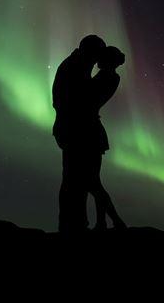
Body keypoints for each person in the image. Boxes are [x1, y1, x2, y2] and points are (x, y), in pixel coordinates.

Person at [52, 35, 107, 233]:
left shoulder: (77, 65)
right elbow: (74, 101)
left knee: (76, 180)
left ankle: (74, 224)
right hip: (74, 130)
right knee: (74, 180)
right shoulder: (74, 67)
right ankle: (72, 225)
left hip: (73, 129)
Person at [88, 46, 127, 231]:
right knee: (94, 181)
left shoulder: (108, 77)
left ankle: (115, 221)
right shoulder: (111, 77)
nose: (97, 61)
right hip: (94, 130)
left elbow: (88, 96)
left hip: (91, 130)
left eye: (102, 58)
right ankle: (104, 222)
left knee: (92, 182)